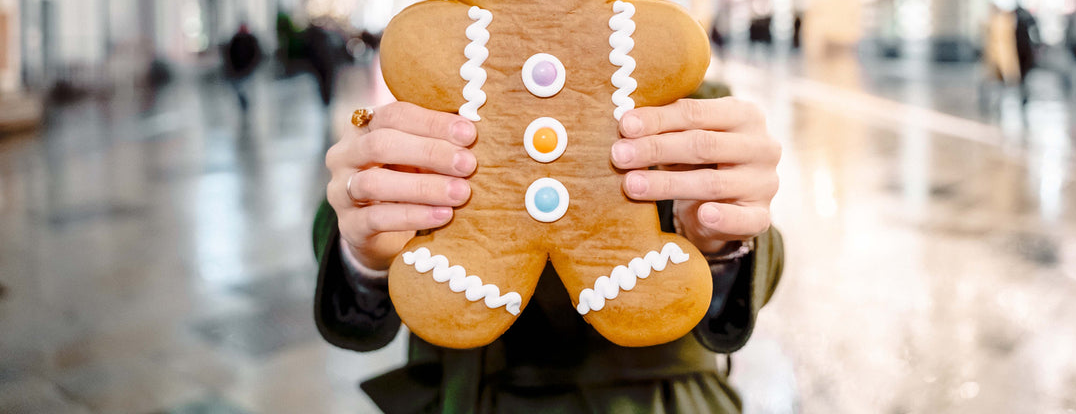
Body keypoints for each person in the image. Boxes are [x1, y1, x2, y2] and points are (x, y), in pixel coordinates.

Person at [314, 90, 783, 413]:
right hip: (469, 392)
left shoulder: (683, 96)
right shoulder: (434, 89)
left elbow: (762, 262)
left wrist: (720, 236)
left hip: (654, 399)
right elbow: (337, 224)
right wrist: (365, 252)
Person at [222, 23, 263, 111]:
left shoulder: (250, 40)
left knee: (243, 87)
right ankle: (243, 103)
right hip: (239, 69)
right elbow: (229, 54)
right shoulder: (237, 39)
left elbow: (257, 54)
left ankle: (245, 104)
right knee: (239, 87)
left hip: (245, 69)